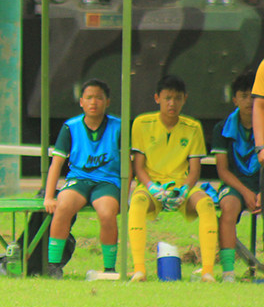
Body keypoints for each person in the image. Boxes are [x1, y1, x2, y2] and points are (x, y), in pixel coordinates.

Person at [128, 74, 216, 282]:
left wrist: (184, 190)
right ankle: (139, 269)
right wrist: (151, 187)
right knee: (137, 203)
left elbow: (195, 170)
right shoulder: (142, 123)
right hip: (152, 186)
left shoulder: (193, 127)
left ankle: (208, 271)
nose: (172, 103)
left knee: (207, 205)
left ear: (185, 99)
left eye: (177, 98)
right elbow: (138, 166)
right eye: (167, 98)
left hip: (181, 185)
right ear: (157, 98)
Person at [43, 79, 122, 279]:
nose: (93, 102)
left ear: (107, 102)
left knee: (106, 213)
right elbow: (56, 164)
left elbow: (129, 164)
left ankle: (110, 268)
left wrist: (125, 194)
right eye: (89, 98)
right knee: (63, 206)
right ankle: (54, 265)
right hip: (79, 179)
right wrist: (49, 196)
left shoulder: (118, 127)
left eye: (98, 98)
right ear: (81, 102)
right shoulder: (71, 127)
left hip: (107, 181)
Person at [211, 70, 260, 283]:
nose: (249, 101)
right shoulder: (222, 128)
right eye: (244, 95)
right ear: (234, 99)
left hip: (261, 182)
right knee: (229, 207)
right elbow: (222, 171)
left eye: (254, 96)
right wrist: (247, 193)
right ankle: (228, 271)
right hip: (236, 184)